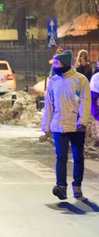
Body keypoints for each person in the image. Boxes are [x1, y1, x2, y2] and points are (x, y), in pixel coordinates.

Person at [42, 50, 91, 200]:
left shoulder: (80, 80)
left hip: (76, 125)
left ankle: (77, 185)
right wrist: (47, 125)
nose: (55, 66)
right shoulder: (54, 81)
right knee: (61, 156)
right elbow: (49, 104)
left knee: (78, 157)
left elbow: (85, 101)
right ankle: (61, 186)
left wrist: (82, 121)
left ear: (65, 64)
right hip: (59, 125)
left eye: (57, 63)